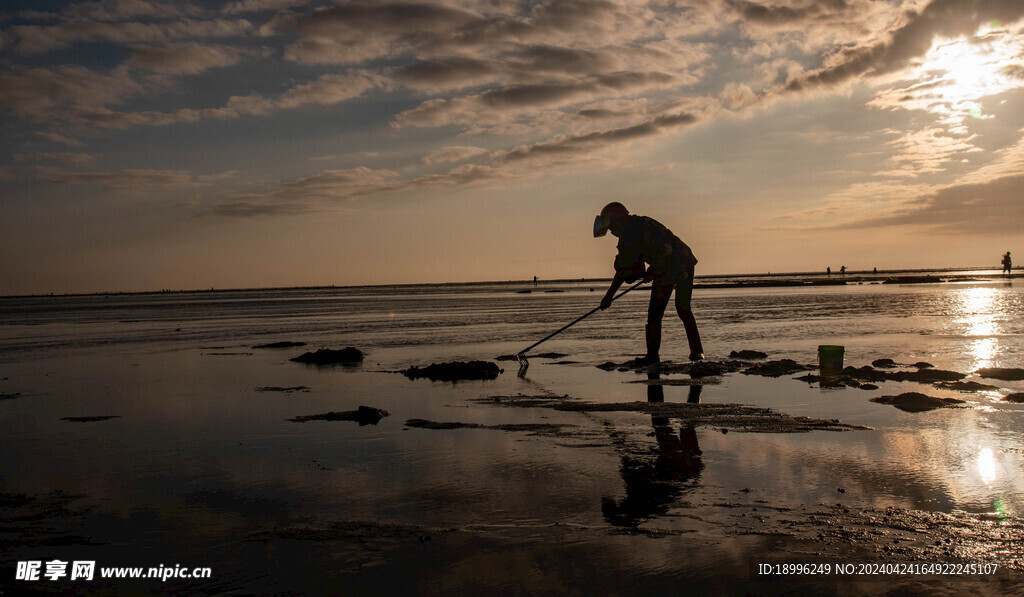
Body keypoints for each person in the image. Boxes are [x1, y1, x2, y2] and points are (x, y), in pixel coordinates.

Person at [594, 202, 704, 363]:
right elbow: (622, 271)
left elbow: (666, 250)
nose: (611, 231)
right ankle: (653, 355)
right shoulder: (626, 239)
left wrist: (652, 270)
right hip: (662, 268)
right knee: (655, 314)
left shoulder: (643, 226)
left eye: (611, 227)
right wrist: (608, 296)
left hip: (681, 262)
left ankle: (697, 352)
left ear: (618, 220)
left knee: (682, 308)